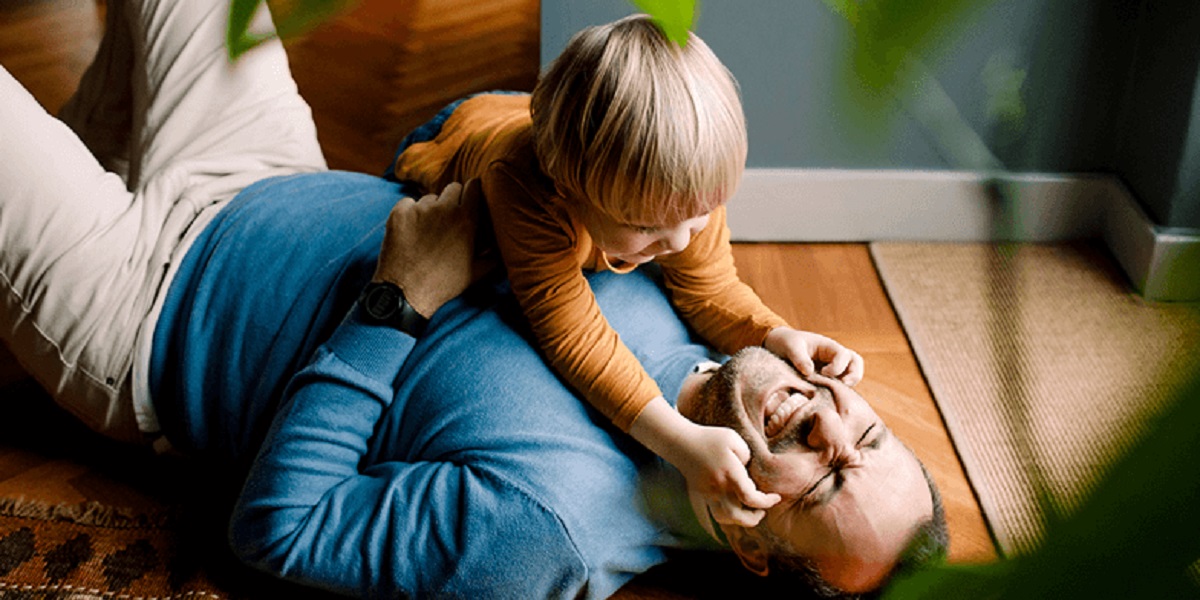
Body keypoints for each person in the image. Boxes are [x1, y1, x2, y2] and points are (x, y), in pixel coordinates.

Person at [0, 0, 946, 597]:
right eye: (866, 436)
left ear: (750, 541)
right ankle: (89, 139)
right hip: (264, 166)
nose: (826, 429)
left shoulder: (546, 533)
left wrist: (396, 302)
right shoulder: (694, 288)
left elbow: (277, 530)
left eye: (824, 481)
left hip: (145, 306)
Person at [389, 14, 865, 529]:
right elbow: (573, 337)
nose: (680, 240)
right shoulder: (524, 189)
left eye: (698, 218)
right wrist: (680, 443)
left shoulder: (683, 192)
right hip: (465, 131)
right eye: (644, 226)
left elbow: (710, 289)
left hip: (536, 116)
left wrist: (773, 332)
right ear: (567, 190)